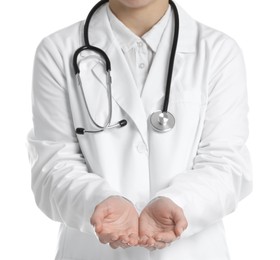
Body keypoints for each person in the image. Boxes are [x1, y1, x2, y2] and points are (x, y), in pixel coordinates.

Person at [27, 0, 252, 259]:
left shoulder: (218, 52)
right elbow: (52, 168)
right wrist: (96, 201)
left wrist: (181, 202)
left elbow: (227, 165)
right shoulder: (58, 51)